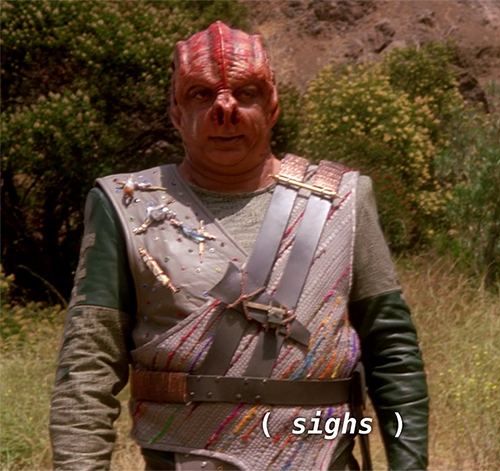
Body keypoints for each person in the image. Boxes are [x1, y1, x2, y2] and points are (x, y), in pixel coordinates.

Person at [49, 21, 429, 471]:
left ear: (272, 105)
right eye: (201, 94)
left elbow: (392, 353)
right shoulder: (126, 206)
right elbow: (88, 368)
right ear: (176, 112)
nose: (224, 110)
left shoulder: (342, 201)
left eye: (246, 92)